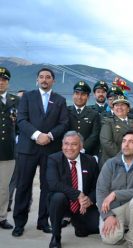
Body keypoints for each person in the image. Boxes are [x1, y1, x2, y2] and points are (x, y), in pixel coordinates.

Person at [13, 68, 69, 237]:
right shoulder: (27, 97)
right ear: (37, 80)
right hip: (27, 149)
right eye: (41, 77)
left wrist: (50, 136)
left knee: (48, 186)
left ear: (54, 80)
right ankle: (19, 223)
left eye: (48, 77)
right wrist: (37, 135)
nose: (44, 80)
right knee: (23, 186)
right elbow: (21, 120)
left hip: (50, 150)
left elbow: (64, 123)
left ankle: (43, 222)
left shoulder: (60, 100)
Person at [96, 130, 133, 248]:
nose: (126, 145)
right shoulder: (110, 163)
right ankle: (120, 228)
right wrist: (108, 216)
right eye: (124, 141)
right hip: (114, 208)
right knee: (110, 239)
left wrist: (116, 194)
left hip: (132, 207)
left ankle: (132, 237)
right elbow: (101, 192)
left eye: (131, 142)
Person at [47, 131, 99, 248]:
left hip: (83, 206)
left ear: (81, 146)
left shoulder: (90, 161)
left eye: (74, 144)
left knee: (93, 228)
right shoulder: (53, 159)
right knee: (58, 197)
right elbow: (53, 184)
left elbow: (98, 186)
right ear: (62, 145)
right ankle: (56, 235)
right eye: (66, 144)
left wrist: (89, 199)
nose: (69, 148)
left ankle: (77, 223)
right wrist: (78, 194)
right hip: (63, 203)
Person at [100, 96, 133, 167]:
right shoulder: (108, 122)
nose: (119, 107)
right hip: (114, 162)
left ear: (128, 109)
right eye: (116, 105)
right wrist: (125, 157)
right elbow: (107, 143)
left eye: (122, 105)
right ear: (113, 108)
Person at [0, 67, 19, 230]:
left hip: (8, 151)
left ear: (8, 82)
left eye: (4, 80)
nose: (1, 82)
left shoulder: (15, 100)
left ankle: (1, 217)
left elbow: (19, 124)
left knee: (4, 187)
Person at [68, 81, 101, 156]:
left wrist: (82, 148)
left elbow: (94, 135)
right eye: (77, 93)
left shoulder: (94, 114)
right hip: (67, 151)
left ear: (88, 97)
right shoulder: (65, 111)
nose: (79, 97)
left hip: (86, 153)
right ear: (73, 95)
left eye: (83, 94)